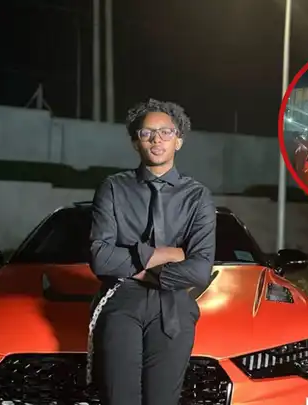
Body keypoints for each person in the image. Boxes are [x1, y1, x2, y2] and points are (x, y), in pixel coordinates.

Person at [87, 99, 216, 405]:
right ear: (136, 142)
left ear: (178, 140)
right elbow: (100, 259)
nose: (157, 139)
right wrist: (168, 254)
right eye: (147, 133)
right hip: (121, 300)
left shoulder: (197, 196)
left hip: (174, 305)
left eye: (166, 132)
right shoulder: (113, 188)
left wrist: (133, 264)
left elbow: (200, 270)